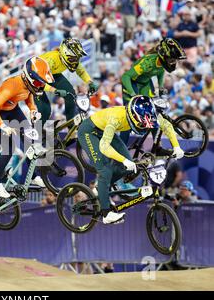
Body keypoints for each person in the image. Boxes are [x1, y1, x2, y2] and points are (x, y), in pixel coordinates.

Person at [77, 95, 184, 224]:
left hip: (103, 129)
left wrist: (176, 146)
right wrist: (123, 160)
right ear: (133, 117)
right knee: (105, 170)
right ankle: (106, 214)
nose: (144, 128)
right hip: (89, 131)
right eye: (141, 125)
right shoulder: (116, 118)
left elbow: (166, 125)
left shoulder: (147, 113)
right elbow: (104, 147)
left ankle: (101, 189)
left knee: (129, 167)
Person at [0, 56, 52, 198]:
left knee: (30, 139)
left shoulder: (29, 84)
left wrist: (33, 110)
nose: (39, 86)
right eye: (37, 83)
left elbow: (28, 97)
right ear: (28, 77)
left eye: (41, 84)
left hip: (12, 109)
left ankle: (33, 175)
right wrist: (2, 125)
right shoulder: (12, 85)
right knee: (8, 148)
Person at [120, 38, 187, 143]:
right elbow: (125, 77)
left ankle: (157, 146)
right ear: (164, 55)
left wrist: (160, 87)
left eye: (175, 60)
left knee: (154, 115)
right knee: (129, 119)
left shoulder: (162, 62)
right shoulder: (148, 62)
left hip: (145, 83)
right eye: (172, 59)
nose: (173, 63)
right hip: (132, 83)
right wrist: (133, 94)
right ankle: (120, 149)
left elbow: (160, 72)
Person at [37, 38, 98, 124]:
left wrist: (90, 82)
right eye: (74, 58)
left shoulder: (70, 59)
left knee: (71, 95)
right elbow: (38, 82)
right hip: (35, 80)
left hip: (52, 74)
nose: (75, 61)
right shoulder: (51, 60)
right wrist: (54, 90)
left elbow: (81, 71)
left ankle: (70, 124)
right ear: (65, 53)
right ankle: (36, 132)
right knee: (45, 110)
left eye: (77, 58)